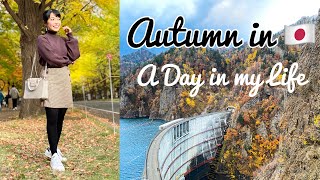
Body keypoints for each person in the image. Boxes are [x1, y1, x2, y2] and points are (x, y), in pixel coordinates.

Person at [37, 9, 80, 172]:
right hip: (51, 77)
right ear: (46, 22)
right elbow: (51, 58)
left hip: (63, 77)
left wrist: (70, 36)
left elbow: (75, 54)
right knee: (52, 117)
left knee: (61, 116)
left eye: (58, 19)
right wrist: (68, 60)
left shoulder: (63, 39)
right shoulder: (42, 39)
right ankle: (54, 155)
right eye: (52, 19)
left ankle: (52, 149)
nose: (56, 22)